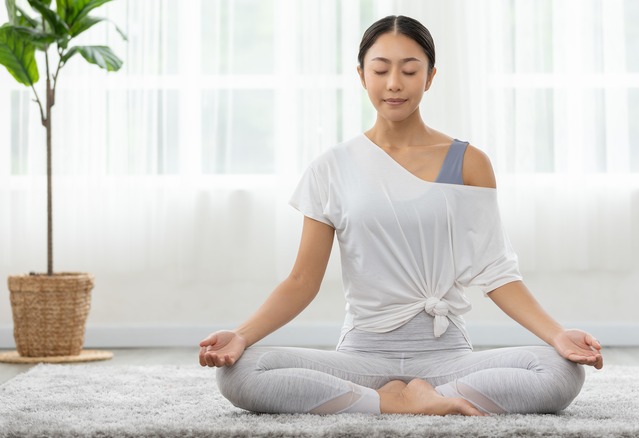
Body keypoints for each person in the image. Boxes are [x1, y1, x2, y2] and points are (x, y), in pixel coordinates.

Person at [198, 15, 603, 416]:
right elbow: (302, 280)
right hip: (363, 358)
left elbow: (497, 272)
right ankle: (392, 401)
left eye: (410, 71)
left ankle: (406, 398)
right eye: (380, 70)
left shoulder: (468, 163)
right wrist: (241, 335)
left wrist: (557, 334)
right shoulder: (332, 167)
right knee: (243, 372)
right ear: (362, 75)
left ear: (429, 77)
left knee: (558, 371)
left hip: (446, 359)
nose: (394, 83)